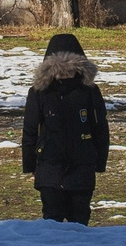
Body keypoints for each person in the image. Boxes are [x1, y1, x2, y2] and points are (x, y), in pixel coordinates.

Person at [21, 31, 107, 225]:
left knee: (80, 222)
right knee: (52, 223)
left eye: (70, 70)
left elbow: (100, 128)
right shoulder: (40, 92)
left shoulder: (90, 92)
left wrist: (99, 162)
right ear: (50, 69)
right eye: (61, 70)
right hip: (50, 168)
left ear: (80, 69)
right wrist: (30, 164)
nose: (65, 75)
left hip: (82, 167)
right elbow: (30, 130)